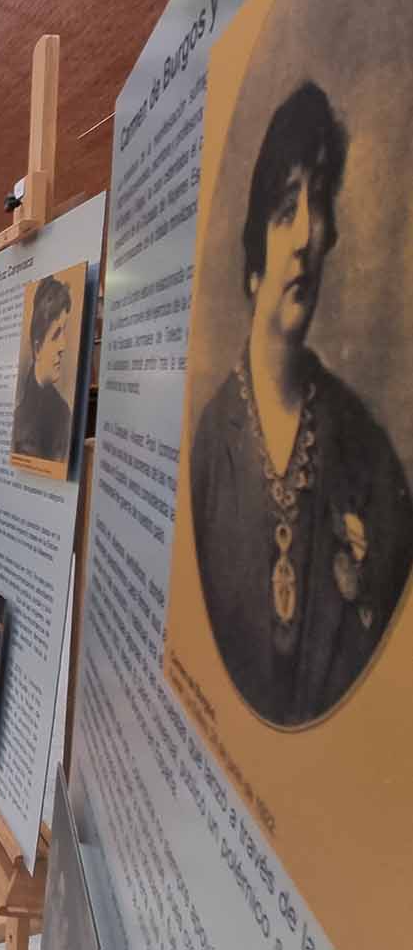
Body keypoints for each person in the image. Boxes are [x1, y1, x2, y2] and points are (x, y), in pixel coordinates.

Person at [190, 81, 413, 726]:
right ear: (256, 249)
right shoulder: (210, 445)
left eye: (319, 208)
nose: (306, 236)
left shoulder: (367, 456)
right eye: (287, 208)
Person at [12, 276, 74, 462]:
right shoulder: (19, 417)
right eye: (56, 335)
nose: (63, 346)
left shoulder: (63, 413)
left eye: (64, 332)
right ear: (37, 348)